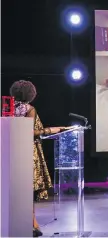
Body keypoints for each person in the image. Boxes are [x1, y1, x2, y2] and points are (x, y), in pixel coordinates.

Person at [10, 80, 66, 237]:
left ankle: (32, 224)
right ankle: (31, 225)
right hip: (27, 152)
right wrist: (49, 130)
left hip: (10, 150)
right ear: (31, 94)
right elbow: (28, 131)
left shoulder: (7, 108)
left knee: (17, 190)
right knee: (28, 190)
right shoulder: (29, 109)